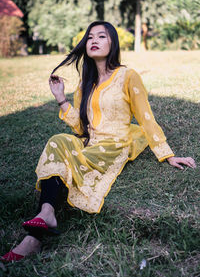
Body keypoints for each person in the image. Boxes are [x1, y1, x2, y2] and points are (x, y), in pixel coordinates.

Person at [1, 21, 196, 262]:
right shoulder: (86, 83)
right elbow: (82, 127)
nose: (94, 40)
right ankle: (47, 212)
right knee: (57, 142)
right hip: (90, 142)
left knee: (70, 163)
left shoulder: (127, 76)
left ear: (112, 43)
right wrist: (61, 98)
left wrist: (167, 154)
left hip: (114, 146)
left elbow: (146, 117)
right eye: (90, 37)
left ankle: (33, 239)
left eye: (101, 36)